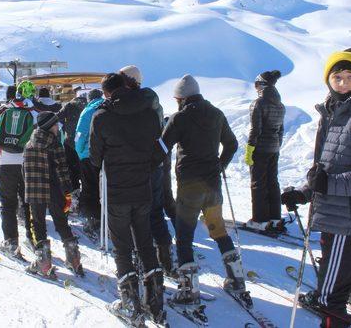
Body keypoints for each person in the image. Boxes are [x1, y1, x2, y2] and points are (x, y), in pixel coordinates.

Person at [281, 48, 351, 328]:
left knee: (329, 295)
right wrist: (305, 192)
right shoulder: (337, 110)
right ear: (327, 79)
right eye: (337, 77)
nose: (343, 82)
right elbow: (329, 169)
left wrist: (328, 185)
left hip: (348, 219)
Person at [160, 75, 250, 307]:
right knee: (218, 230)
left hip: (189, 185)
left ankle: (189, 290)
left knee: (184, 234)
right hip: (212, 184)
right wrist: (220, 164)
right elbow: (232, 144)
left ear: (182, 98)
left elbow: (162, 146)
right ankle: (236, 278)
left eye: (177, 98)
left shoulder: (179, 118)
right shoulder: (216, 114)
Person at [89, 73, 165, 325]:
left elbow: (94, 157)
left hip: (116, 192)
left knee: (122, 246)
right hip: (143, 189)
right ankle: (156, 302)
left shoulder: (102, 117)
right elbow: (159, 150)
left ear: (108, 93)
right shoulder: (148, 111)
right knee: (145, 240)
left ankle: (130, 304)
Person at [120, 65, 173, 276]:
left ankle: (142, 258)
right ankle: (166, 256)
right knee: (156, 211)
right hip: (155, 163)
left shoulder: (131, 103)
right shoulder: (154, 101)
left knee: (136, 213)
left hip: (135, 165)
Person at [23, 111, 82, 276]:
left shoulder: (29, 144)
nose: (58, 127)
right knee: (62, 223)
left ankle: (44, 264)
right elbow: (63, 170)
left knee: (39, 225)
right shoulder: (55, 144)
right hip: (54, 190)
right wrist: (68, 192)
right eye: (56, 124)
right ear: (50, 126)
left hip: (34, 190)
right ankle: (74, 259)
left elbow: (25, 170)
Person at [0, 85, 36, 255]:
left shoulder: (3, 111)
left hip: (6, 163)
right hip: (27, 163)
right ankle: (33, 238)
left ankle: (11, 242)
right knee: (29, 201)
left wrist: (1, 152)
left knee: (8, 204)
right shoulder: (32, 112)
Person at [245, 70, 286, 232]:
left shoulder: (258, 103)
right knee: (272, 182)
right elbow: (281, 130)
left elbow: (256, 130)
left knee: (258, 184)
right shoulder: (280, 105)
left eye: (256, 84)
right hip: (274, 148)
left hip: (260, 148)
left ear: (262, 85)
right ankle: (275, 218)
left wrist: (249, 149)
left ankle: (260, 220)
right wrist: (276, 145)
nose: (255, 87)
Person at [74, 89, 104, 234]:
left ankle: (92, 218)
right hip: (108, 156)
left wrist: (80, 153)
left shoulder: (88, 111)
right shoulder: (108, 106)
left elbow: (80, 134)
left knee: (89, 187)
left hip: (89, 155)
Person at [58, 90, 88, 194]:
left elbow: (58, 119)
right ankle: (85, 192)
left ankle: (74, 193)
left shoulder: (69, 105)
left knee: (71, 168)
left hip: (69, 141)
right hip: (84, 142)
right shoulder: (88, 106)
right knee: (83, 168)